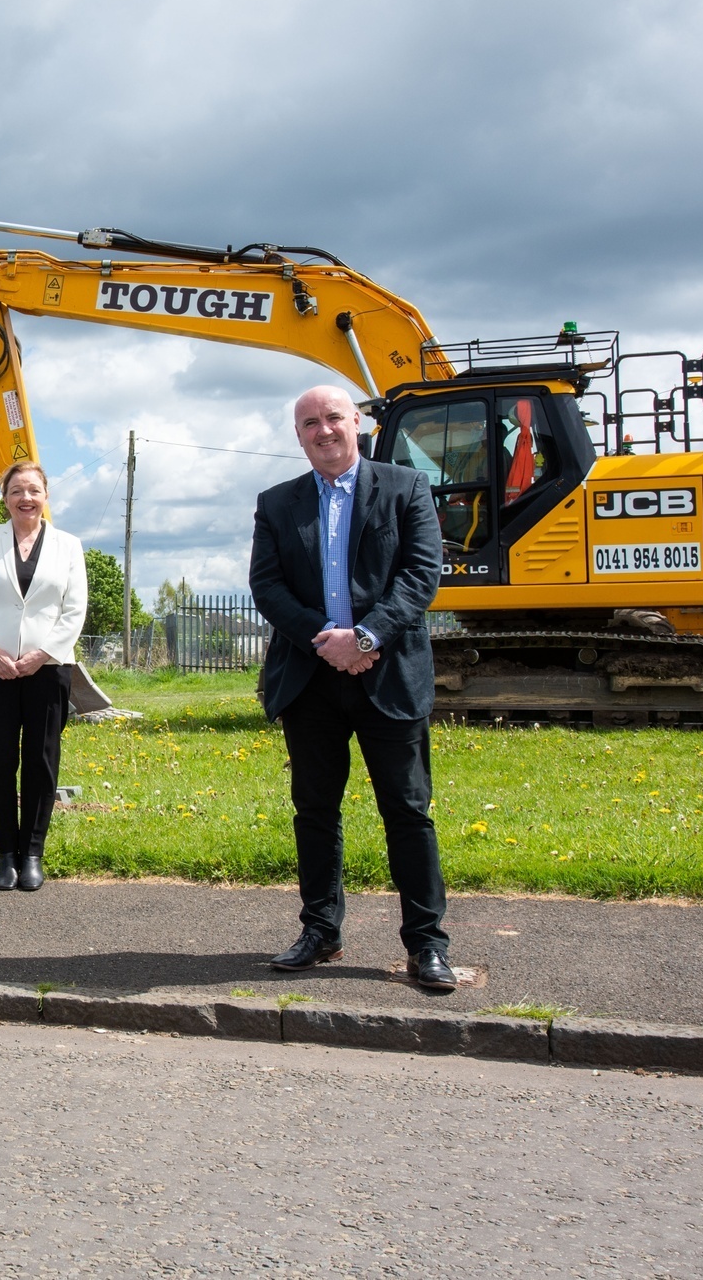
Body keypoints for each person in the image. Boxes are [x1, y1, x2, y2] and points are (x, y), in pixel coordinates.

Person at [250, 385, 455, 990]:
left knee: (408, 812)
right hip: (310, 681)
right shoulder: (276, 503)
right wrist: (328, 640)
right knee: (315, 811)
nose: (323, 430)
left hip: (389, 676)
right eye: (309, 423)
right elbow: (267, 586)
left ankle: (426, 945)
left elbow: (421, 575)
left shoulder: (405, 487)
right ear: (299, 435)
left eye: (333, 417)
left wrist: (365, 639)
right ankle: (321, 932)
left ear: (358, 422)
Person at [0, 463, 88, 893]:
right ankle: (6, 854)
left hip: (48, 670)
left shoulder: (69, 546)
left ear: (46, 495)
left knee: (41, 759)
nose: (25, 498)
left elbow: (74, 609)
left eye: (34, 490)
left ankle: (32, 851)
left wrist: (43, 655)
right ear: (5, 497)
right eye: (17, 490)